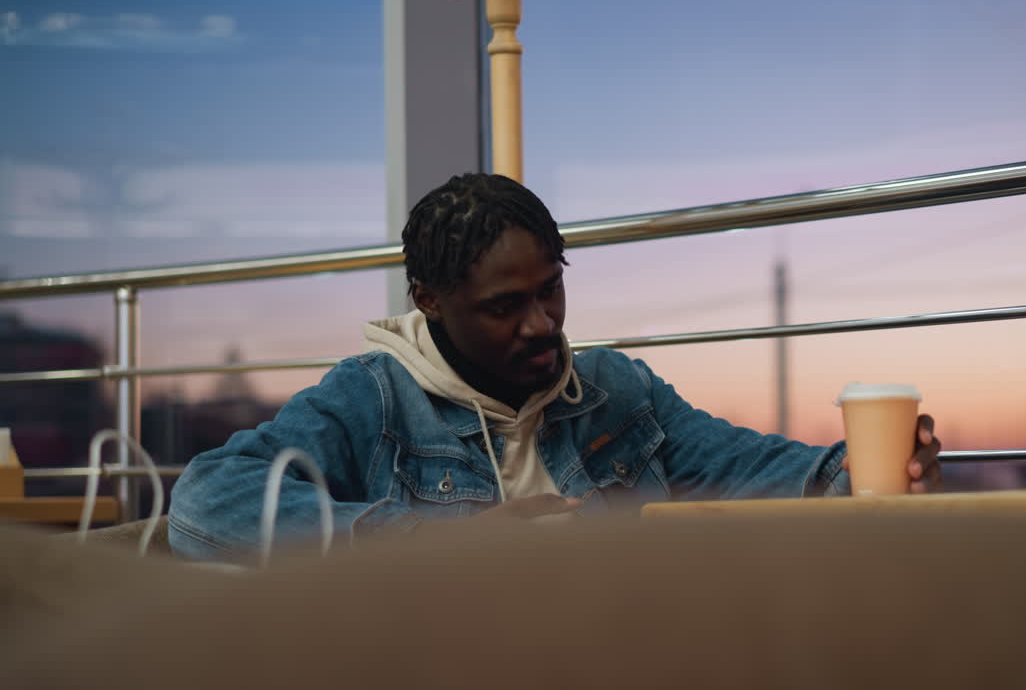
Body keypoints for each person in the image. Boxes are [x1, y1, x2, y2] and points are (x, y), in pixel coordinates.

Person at [168, 173, 942, 561]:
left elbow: (749, 467)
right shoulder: (372, 398)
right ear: (431, 301)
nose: (543, 326)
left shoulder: (616, 390)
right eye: (507, 306)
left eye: (552, 290)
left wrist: (866, 468)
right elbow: (206, 504)